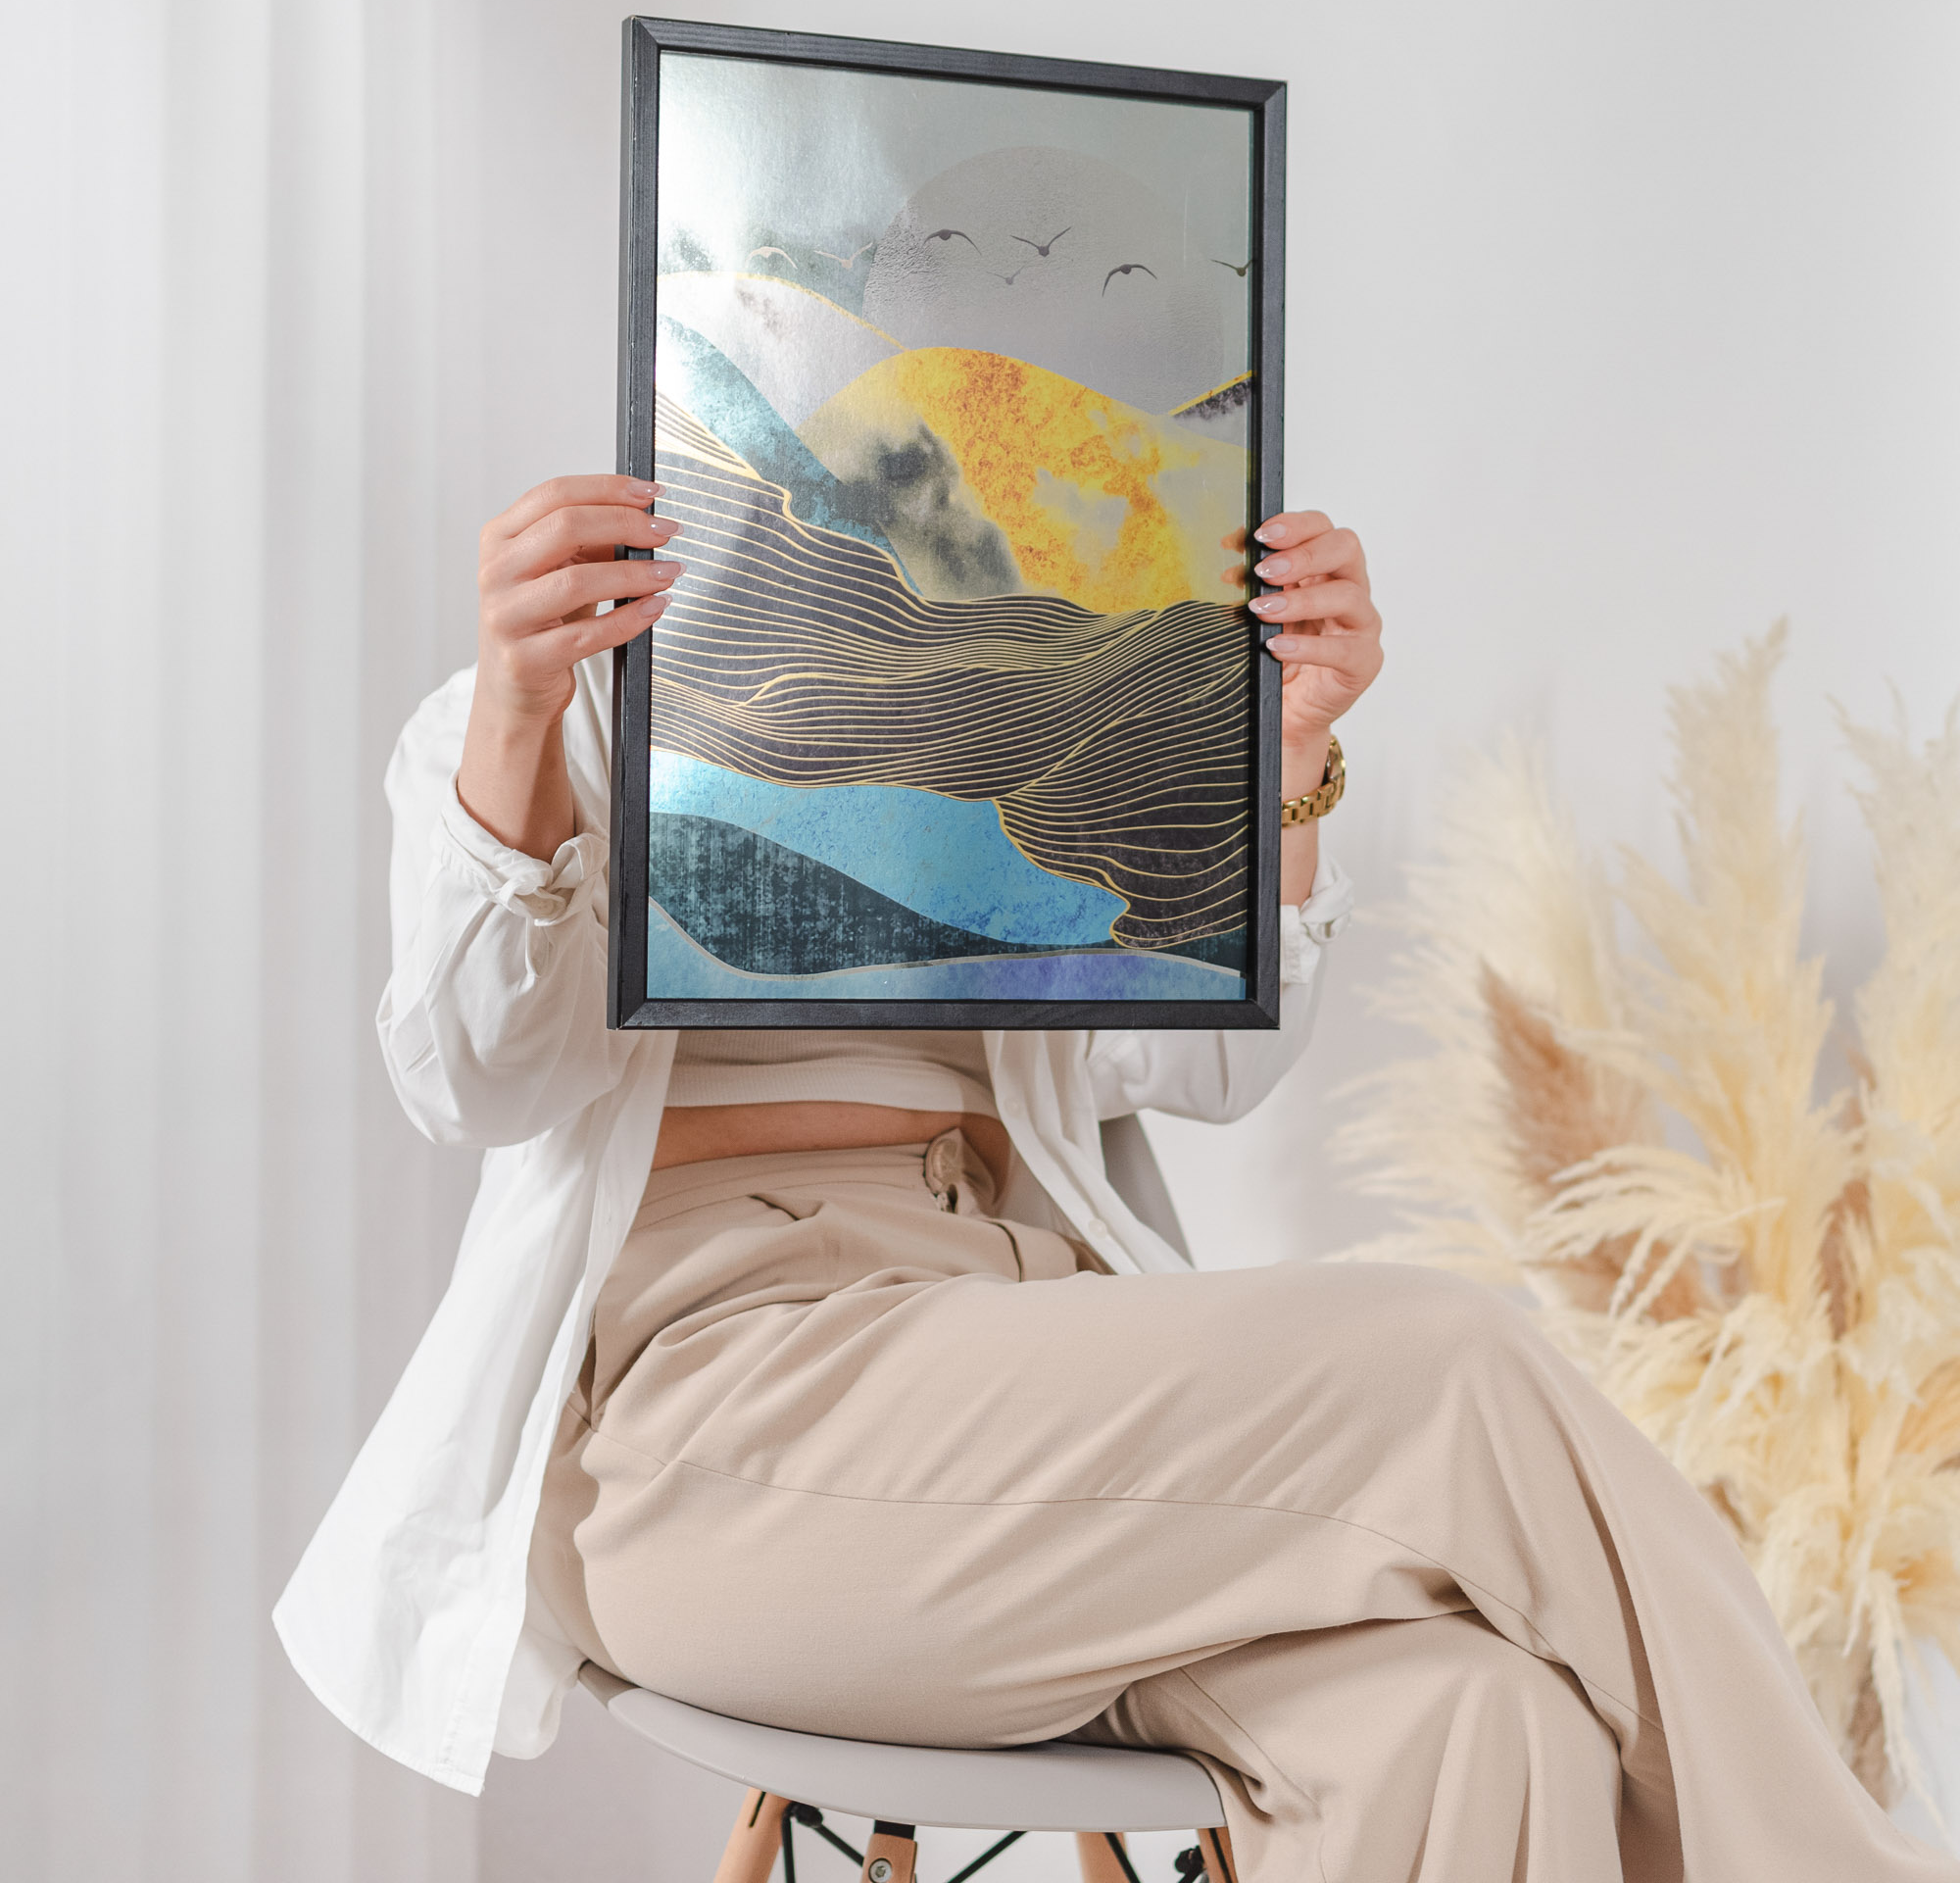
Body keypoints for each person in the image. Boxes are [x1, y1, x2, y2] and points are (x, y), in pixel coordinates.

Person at [276, 475, 1955, 1883]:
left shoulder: (1027, 693)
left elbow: (1203, 1069)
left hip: (1014, 1367)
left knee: (1472, 1721)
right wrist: (517, 705)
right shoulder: (565, 691)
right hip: (714, 1407)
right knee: (1449, 1366)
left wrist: (1286, 751)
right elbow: (471, 1073)